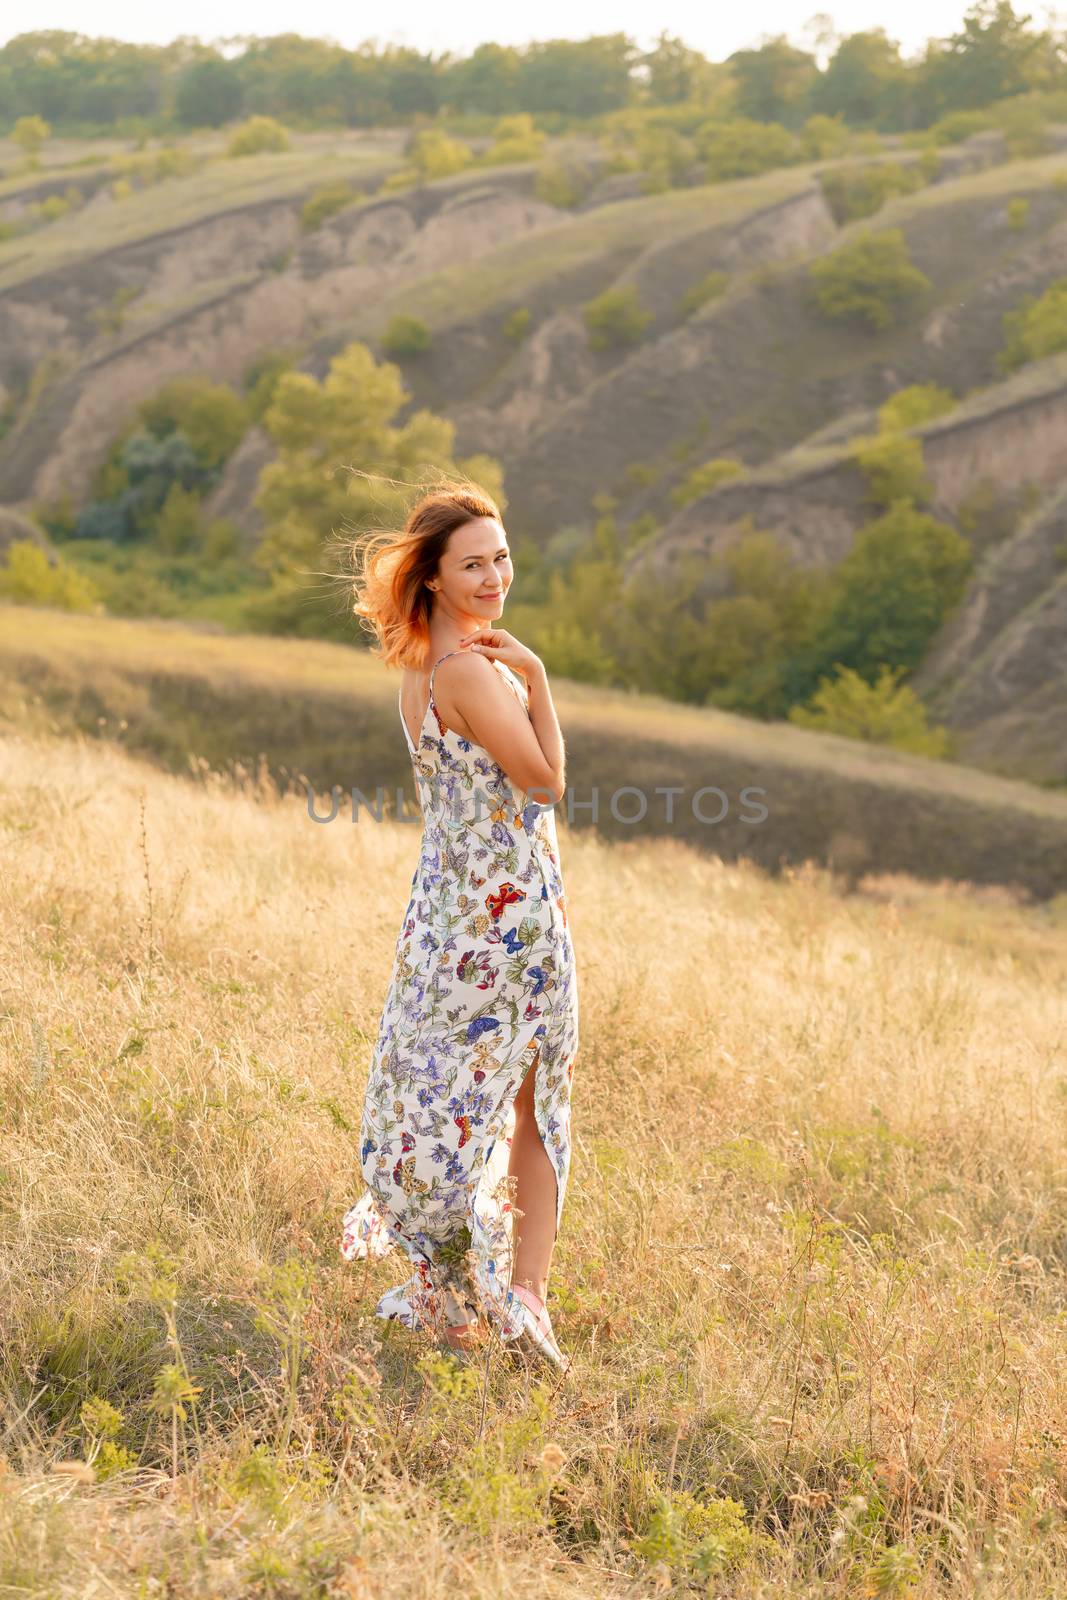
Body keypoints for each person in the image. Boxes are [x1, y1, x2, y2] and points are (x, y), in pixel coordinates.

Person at [339, 477, 580, 1373]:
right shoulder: (477, 672)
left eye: (502, 558)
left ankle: (464, 1289)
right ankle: (524, 1298)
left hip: (446, 914)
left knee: (445, 1092)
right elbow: (546, 783)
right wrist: (540, 680)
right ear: (433, 578)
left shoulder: (420, 671)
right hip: (510, 923)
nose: (494, 577)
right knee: (532, 1100)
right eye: (473, 564)